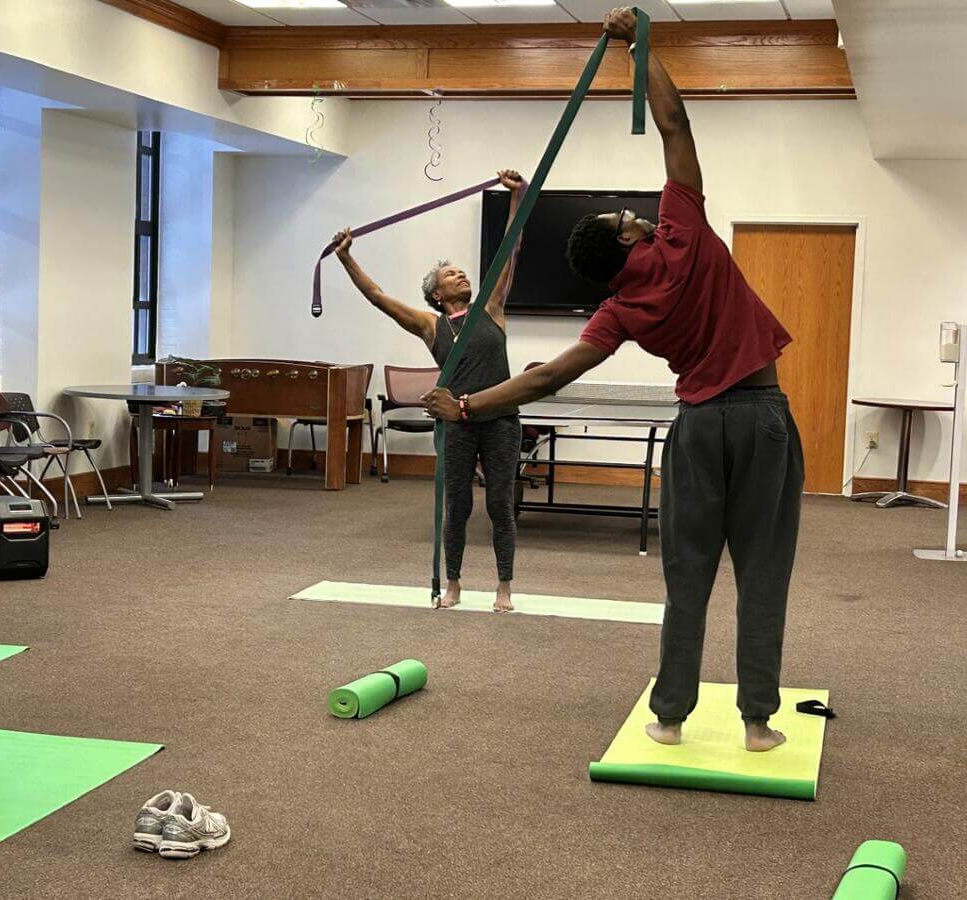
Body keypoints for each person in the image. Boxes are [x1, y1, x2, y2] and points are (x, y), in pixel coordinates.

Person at [423, 7, 803, 753]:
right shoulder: (683, 232)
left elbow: (546, 378)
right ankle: (757, 723)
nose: (632, 214)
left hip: (696, 428)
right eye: (625, 215)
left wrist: (465, 405)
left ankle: (669, 718)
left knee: (687, 574)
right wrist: (641, 46)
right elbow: (675, 125)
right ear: (628, 233)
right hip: (759, 415)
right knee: (763, 574)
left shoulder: (619, 310)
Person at [332, 169, 527, 612]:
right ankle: (454, 583)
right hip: (457, 422)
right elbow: (379, 296)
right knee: (456, 506)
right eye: (451, 275)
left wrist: (518, 196)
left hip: (501, 422)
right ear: (436, 294)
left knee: (500, 504)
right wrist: (346, 258)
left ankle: (504, 587)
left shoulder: (492, 308)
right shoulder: (430, 325)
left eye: (462, 272)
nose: (461, 276)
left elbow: (510, 247)